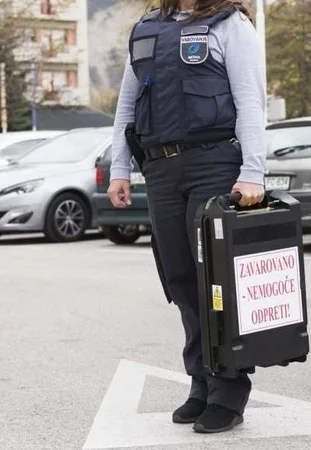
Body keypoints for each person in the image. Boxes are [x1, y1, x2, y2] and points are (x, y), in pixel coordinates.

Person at [106, 0, 267, 434]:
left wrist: (253, 172)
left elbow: (252, 100)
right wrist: (119, 168)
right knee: (178, 277)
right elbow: (128, 104)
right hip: (159, 166)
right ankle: (202, 378)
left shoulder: (230, 24)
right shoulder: (148, 27)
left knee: (212, 278)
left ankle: (229, 387)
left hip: (213, 163)